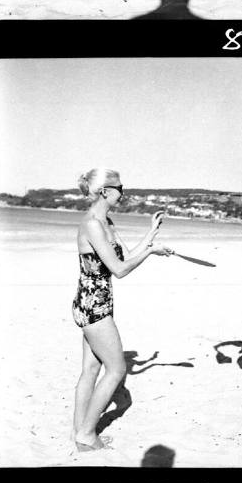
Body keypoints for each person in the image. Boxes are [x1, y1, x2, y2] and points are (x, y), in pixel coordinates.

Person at [71, 167, 172, 451]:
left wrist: (152, 234)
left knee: (91, 369)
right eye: (120, 188)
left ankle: (79, 432)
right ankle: (87, 434)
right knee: (116, 370)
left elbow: (126, 256)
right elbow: (119, 270)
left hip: (94, 301)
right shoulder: (92, 223)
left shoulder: (107, 221)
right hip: (94, 305)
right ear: (105, 191)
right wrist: (151, 252)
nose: (123, 192)